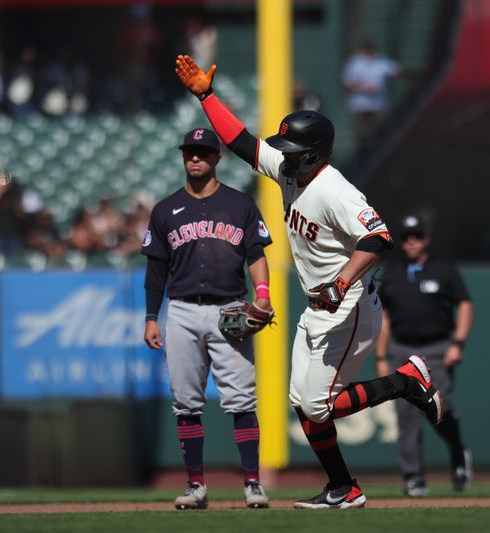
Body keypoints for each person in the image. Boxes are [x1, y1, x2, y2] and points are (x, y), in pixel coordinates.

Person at [175, 54, 443, 509]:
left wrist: (340, 282)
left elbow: (378, 238)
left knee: (317, 407)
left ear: (315, 154)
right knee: (304, 404)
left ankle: (406, 381)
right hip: (319, 306)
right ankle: (344, 488)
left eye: (292, 150)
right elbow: (240, 142)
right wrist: (206, 96)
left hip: (349, 305)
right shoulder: (289, 169)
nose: (283, 155)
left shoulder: (336, 191)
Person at [141, 127, 274, 510]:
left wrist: (262, 296)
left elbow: (256, 255)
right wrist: (151, 316)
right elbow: (156, 270)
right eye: (189, 152)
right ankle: (196, 486)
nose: (194, 157)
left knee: (241, 400)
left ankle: (252, 483)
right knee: (185, 402)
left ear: (217, 157)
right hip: (181, 309)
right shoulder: (165, 210)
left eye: (202, 151)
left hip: (230, 308)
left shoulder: (241, 204)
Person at [375, 213, 474, 496]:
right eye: (406, 237)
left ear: (426, 238)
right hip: (402, 349)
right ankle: (413, 478)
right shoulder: (392, 272)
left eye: (416, 236)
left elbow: (465, 304)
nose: (411, 242)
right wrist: (381, 356)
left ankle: (458, 453)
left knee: (439, 410)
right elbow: (384, 316)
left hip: (437, 349)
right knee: (406, 415)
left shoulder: (443, 269)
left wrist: (458, 342)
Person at [341, 41, 403, 151]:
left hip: (378, 106)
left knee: (381, 134)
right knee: (361, 137)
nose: (370, 54)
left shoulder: (381, 62)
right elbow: (347, 85)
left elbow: (397, 71)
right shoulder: (355, 63)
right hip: (360, 106)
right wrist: (364, 88)